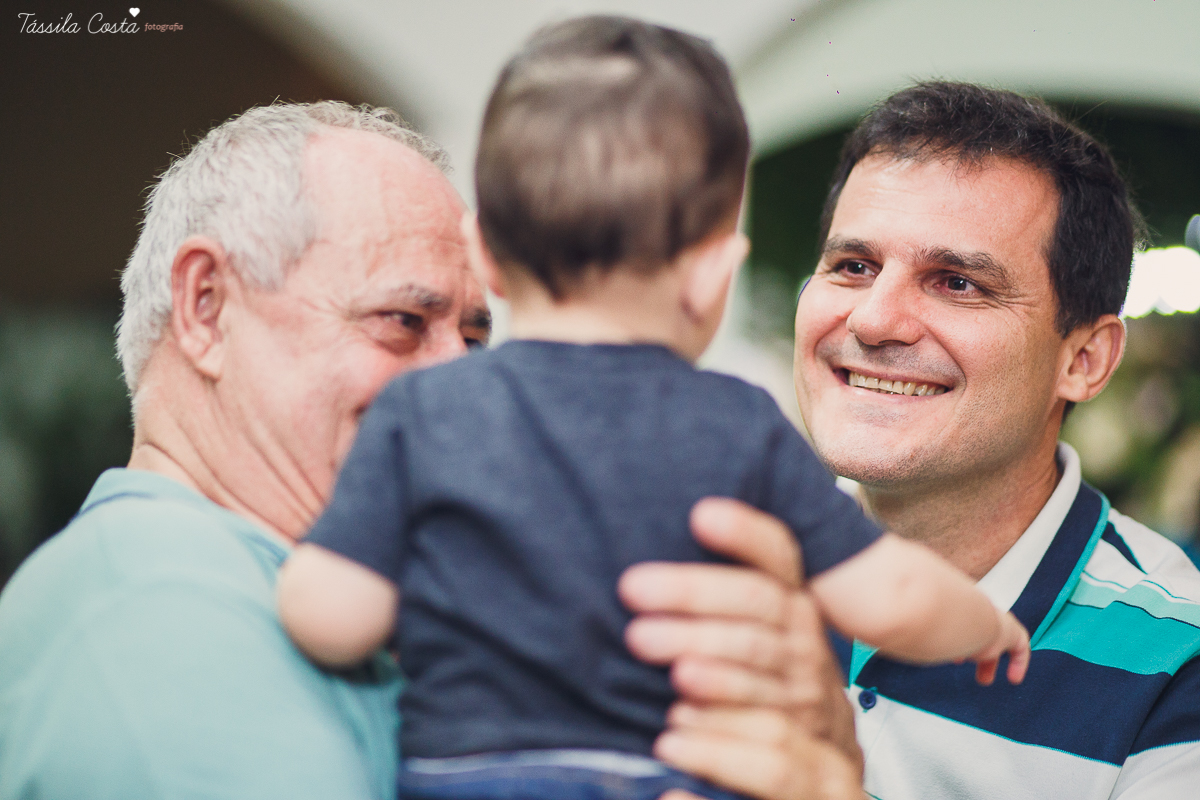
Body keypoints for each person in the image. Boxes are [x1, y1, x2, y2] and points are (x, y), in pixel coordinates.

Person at [0, 101, 861, 800]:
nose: (461, 386)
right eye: (402, 323)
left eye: (476, 337)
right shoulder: (164, 610)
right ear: (206, 307)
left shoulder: (331, 593)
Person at [276, 18, 1028, 800]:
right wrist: (983, 626)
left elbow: (331, 612)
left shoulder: (422, 411)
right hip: (663, 775)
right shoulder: (741, 423)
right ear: (713, 276)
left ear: (486, 256)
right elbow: (891, 596)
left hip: (463, 779)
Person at [790, 81, 1200, 798]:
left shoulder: (1179, 660)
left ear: (1084, 360)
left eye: (956, 283)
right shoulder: (717, 558)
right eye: (853, 266)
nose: (873, 321)